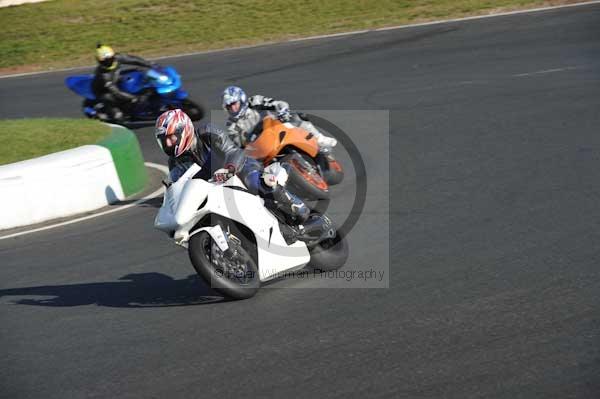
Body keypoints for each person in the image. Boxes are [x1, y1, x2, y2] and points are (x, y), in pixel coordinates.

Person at [155, 109, 336, 241]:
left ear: (183, 130)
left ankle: (300, 210)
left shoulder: (207, 132)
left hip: (238, 168)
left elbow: (233, 151)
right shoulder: (175, 162)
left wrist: (230, 168)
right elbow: (182, 185)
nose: (169, 143)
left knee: (258, 183)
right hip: (213, 188)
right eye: (165, 140)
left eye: (171, 137)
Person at [221, 86, 338, 149]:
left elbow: (278, 103)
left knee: (296, 116)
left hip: (276, 128)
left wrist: (282, 111)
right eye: (229, 106)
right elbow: (239, 145)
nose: (233, 108)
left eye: (234, 104)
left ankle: (320, 139)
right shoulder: (231, 125)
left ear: (241, 99)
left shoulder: (254, 101)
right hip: (261, 146)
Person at [91, 44, 156, 121]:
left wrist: (150, 64)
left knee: (137, 72)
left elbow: (133, 60)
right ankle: (114, 112)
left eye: (110, 59)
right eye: (105, 61)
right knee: (118, 115)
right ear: (100, 61)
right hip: (104, 90)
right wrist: (133, 98)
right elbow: (116, 92)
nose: (109, 62)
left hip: (116, 78)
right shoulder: (104, 75)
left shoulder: (117, 58)